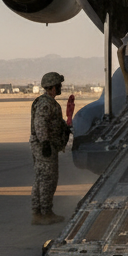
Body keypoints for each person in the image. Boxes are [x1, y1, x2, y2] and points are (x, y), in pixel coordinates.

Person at [30, 71, 71, 225]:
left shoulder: (48, 102)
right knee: (48, 180)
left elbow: (53, 123)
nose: (60, 88)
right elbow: (40, 123)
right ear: (53, 87)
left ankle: (37, 213)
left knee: (40, 179)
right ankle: (45, 213)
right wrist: (45, 143)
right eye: (59, 85)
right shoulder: (45, 103)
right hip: (44, 147)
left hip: (43, 145)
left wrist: (64, 128)